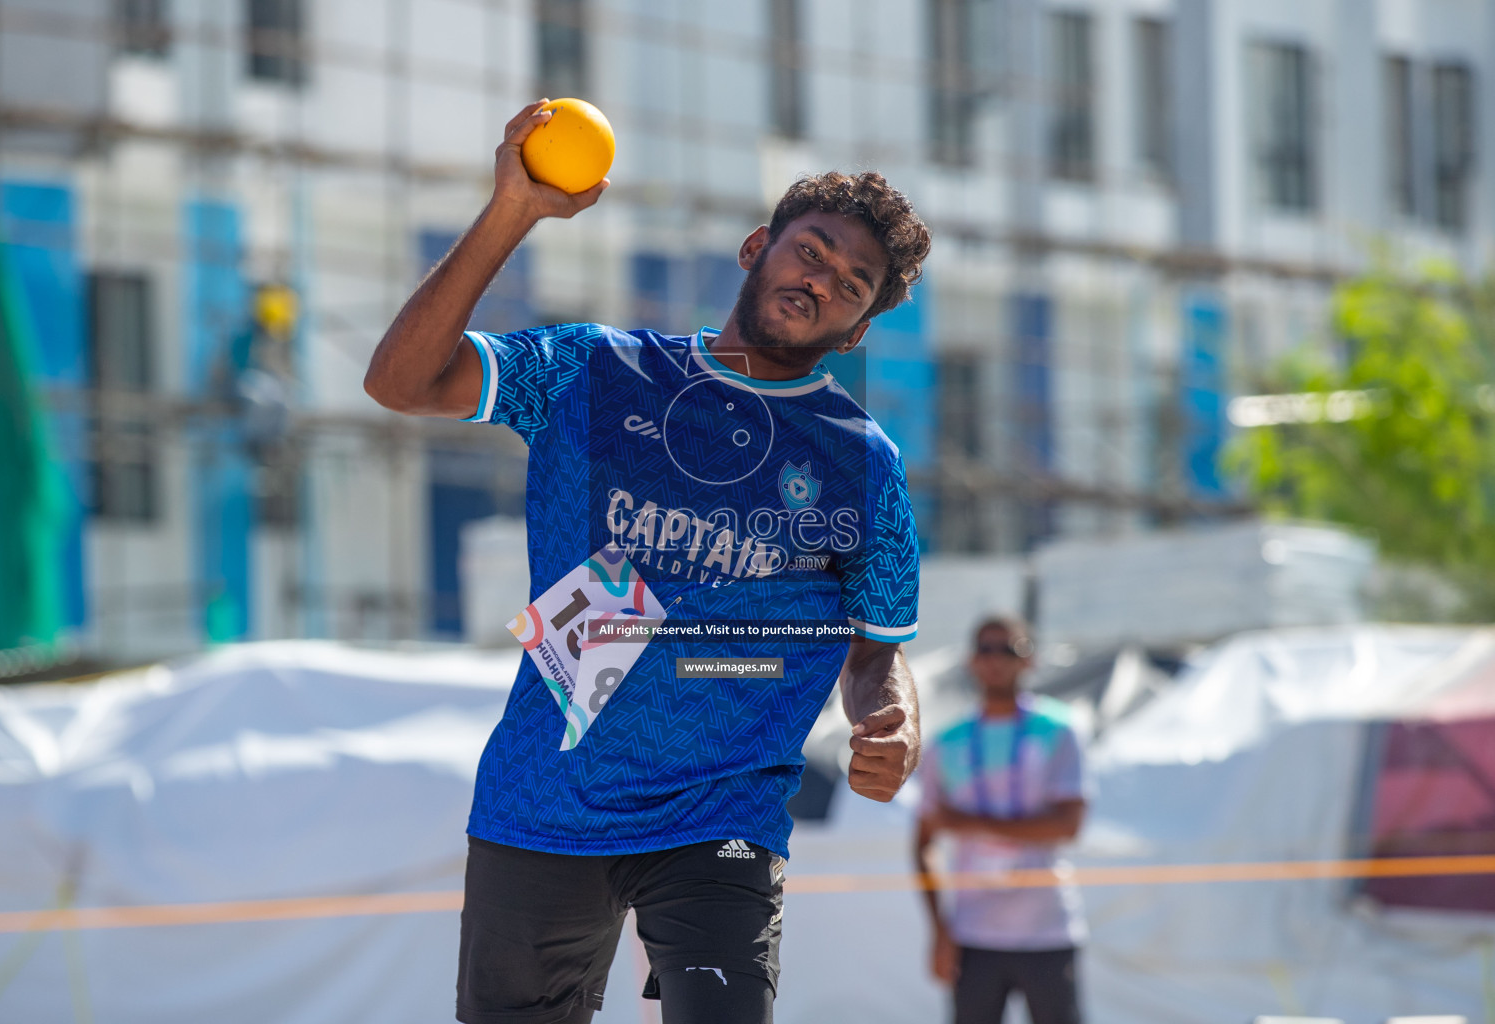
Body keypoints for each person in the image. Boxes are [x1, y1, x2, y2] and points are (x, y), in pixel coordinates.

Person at [364, 100, 932, 1024]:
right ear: (758, 247)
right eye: (812, 251)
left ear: (859, 327)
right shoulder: (594, 371)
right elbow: (401, 383)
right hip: (546, 795)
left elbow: (875, 645)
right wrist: (515, 210)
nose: (823, 280)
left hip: (722, 813)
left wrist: (892, 714)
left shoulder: (859, 461)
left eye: (854, 284)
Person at [914, 616, 1090, 1024]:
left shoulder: (1059, 729)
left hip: (1047, 930)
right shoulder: (948, 742)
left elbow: (1068, 825)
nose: (995, 661)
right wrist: (939, 930)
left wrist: (969, 822)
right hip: (974, 934)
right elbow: (923, 841)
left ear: (1029, 659)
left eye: (1008, 650)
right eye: (985, 650)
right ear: (971, 661)